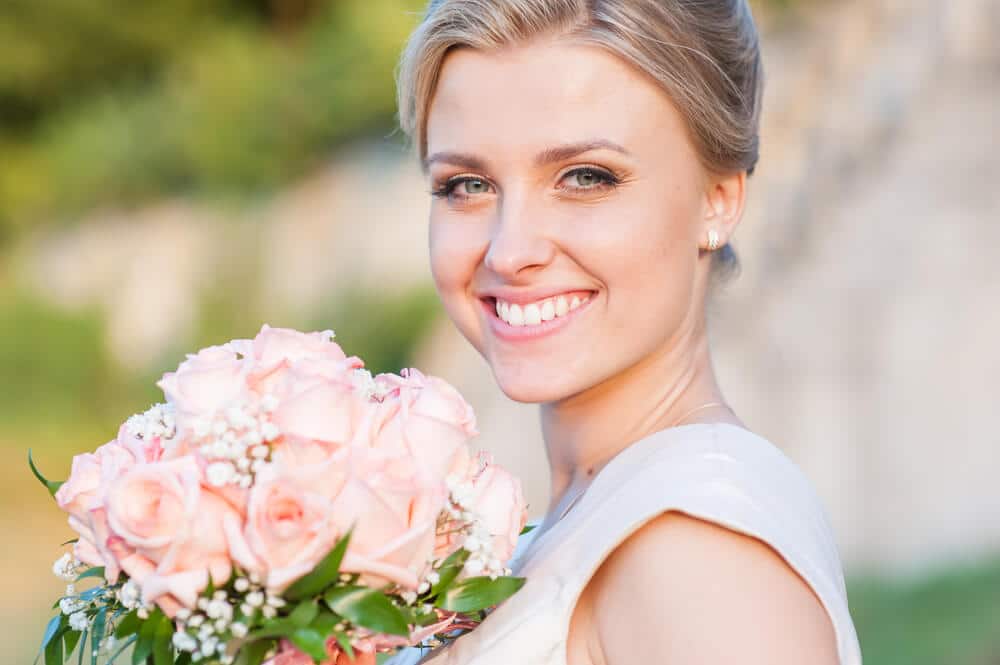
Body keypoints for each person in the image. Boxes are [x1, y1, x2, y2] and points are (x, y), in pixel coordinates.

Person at [387, 0, 864, 663]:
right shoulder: (582, 520)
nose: (508, 250)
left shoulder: (699, 555)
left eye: (585, 177)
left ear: (717, 199)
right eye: (467, 184)